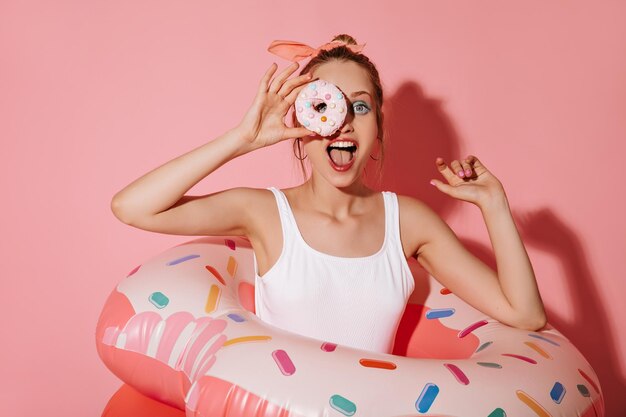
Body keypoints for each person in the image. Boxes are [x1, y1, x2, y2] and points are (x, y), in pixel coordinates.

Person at [110, 34, 547, 355]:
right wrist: (242, 139)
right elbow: (132, 207)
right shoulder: (264, 212)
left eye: (359, 107)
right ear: (302, 124)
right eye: (324, 106)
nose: (342, 123)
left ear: (378, 128)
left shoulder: (408, 222)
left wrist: (494, 205)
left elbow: (525, 314)